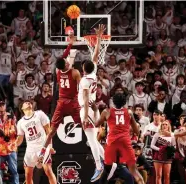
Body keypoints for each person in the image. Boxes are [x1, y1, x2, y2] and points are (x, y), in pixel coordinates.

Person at [37, 31, 81, 164]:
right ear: (66, 65)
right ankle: (93, 143)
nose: (68, 62)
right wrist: (71, 44)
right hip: (72, 102)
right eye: (67, 62)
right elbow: (82, 88)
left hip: (61, 103)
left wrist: (70, 44)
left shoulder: (57, 71)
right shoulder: (75, 72)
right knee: (84, 123)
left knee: (52, 130)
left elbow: (63, 58)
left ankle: (43, 150)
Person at [77, 24, 106, 182]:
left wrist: (85, 116)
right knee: (91, 139)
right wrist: (99, 38)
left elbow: (87, 99)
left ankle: (99, 165)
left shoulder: (84, 80)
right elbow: (95, 57)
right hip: (94, 109)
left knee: (92, 140)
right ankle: (108, 161)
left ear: (83, 69)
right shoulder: (93, 75)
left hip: (87, 109)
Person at [95, 93, 144, 184]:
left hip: (112, 142)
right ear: (124, 102)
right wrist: (139, 135)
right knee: (134, 171)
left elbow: (96, 124)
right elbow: (136, 131)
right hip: (125, 141)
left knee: (106, 171)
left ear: (113, 102)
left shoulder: (107, 111)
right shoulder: (129, 112)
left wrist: (94, 111)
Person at [15, 101, 56, 184]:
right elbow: (20, 139)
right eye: (26, 103)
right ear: (22, 108)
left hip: (43, 146)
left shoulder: (39, 114)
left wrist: (50, 146)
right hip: (30, 149)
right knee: (28, 174)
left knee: (48, 170)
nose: (28, 103)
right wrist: (14, 144)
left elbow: (49, 131)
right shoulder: (20, 122)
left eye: (29, 102)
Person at [151, 120, 175, 184]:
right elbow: (152, 145)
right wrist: (160, 149)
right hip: (158, 156)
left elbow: (174, 146)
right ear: (161, 126)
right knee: (158, 175)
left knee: (167, 176)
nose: (164, 126)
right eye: (163, 124)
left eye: (166, 124)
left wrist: (171, 150)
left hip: (167, 157)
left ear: (169, 126)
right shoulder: (157, 134)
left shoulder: (172, 135)